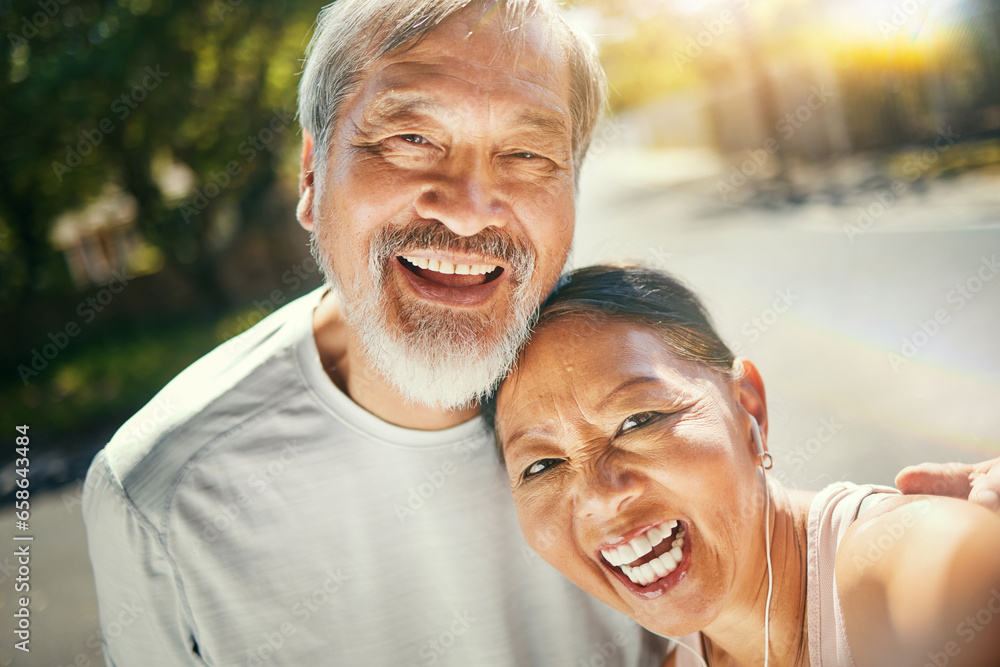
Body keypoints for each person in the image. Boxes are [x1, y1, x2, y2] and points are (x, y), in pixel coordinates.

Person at [81, 0, 1000, 664]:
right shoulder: (163, 492)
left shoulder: (606, 347)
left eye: (526, 153)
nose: (471, 208)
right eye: (409, 138)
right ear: (314, 173)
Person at [487, 265, 1000, 667]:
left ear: (748, 407)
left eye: (638, 420)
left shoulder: (924, 570)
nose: (600, 493)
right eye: (542, 466)